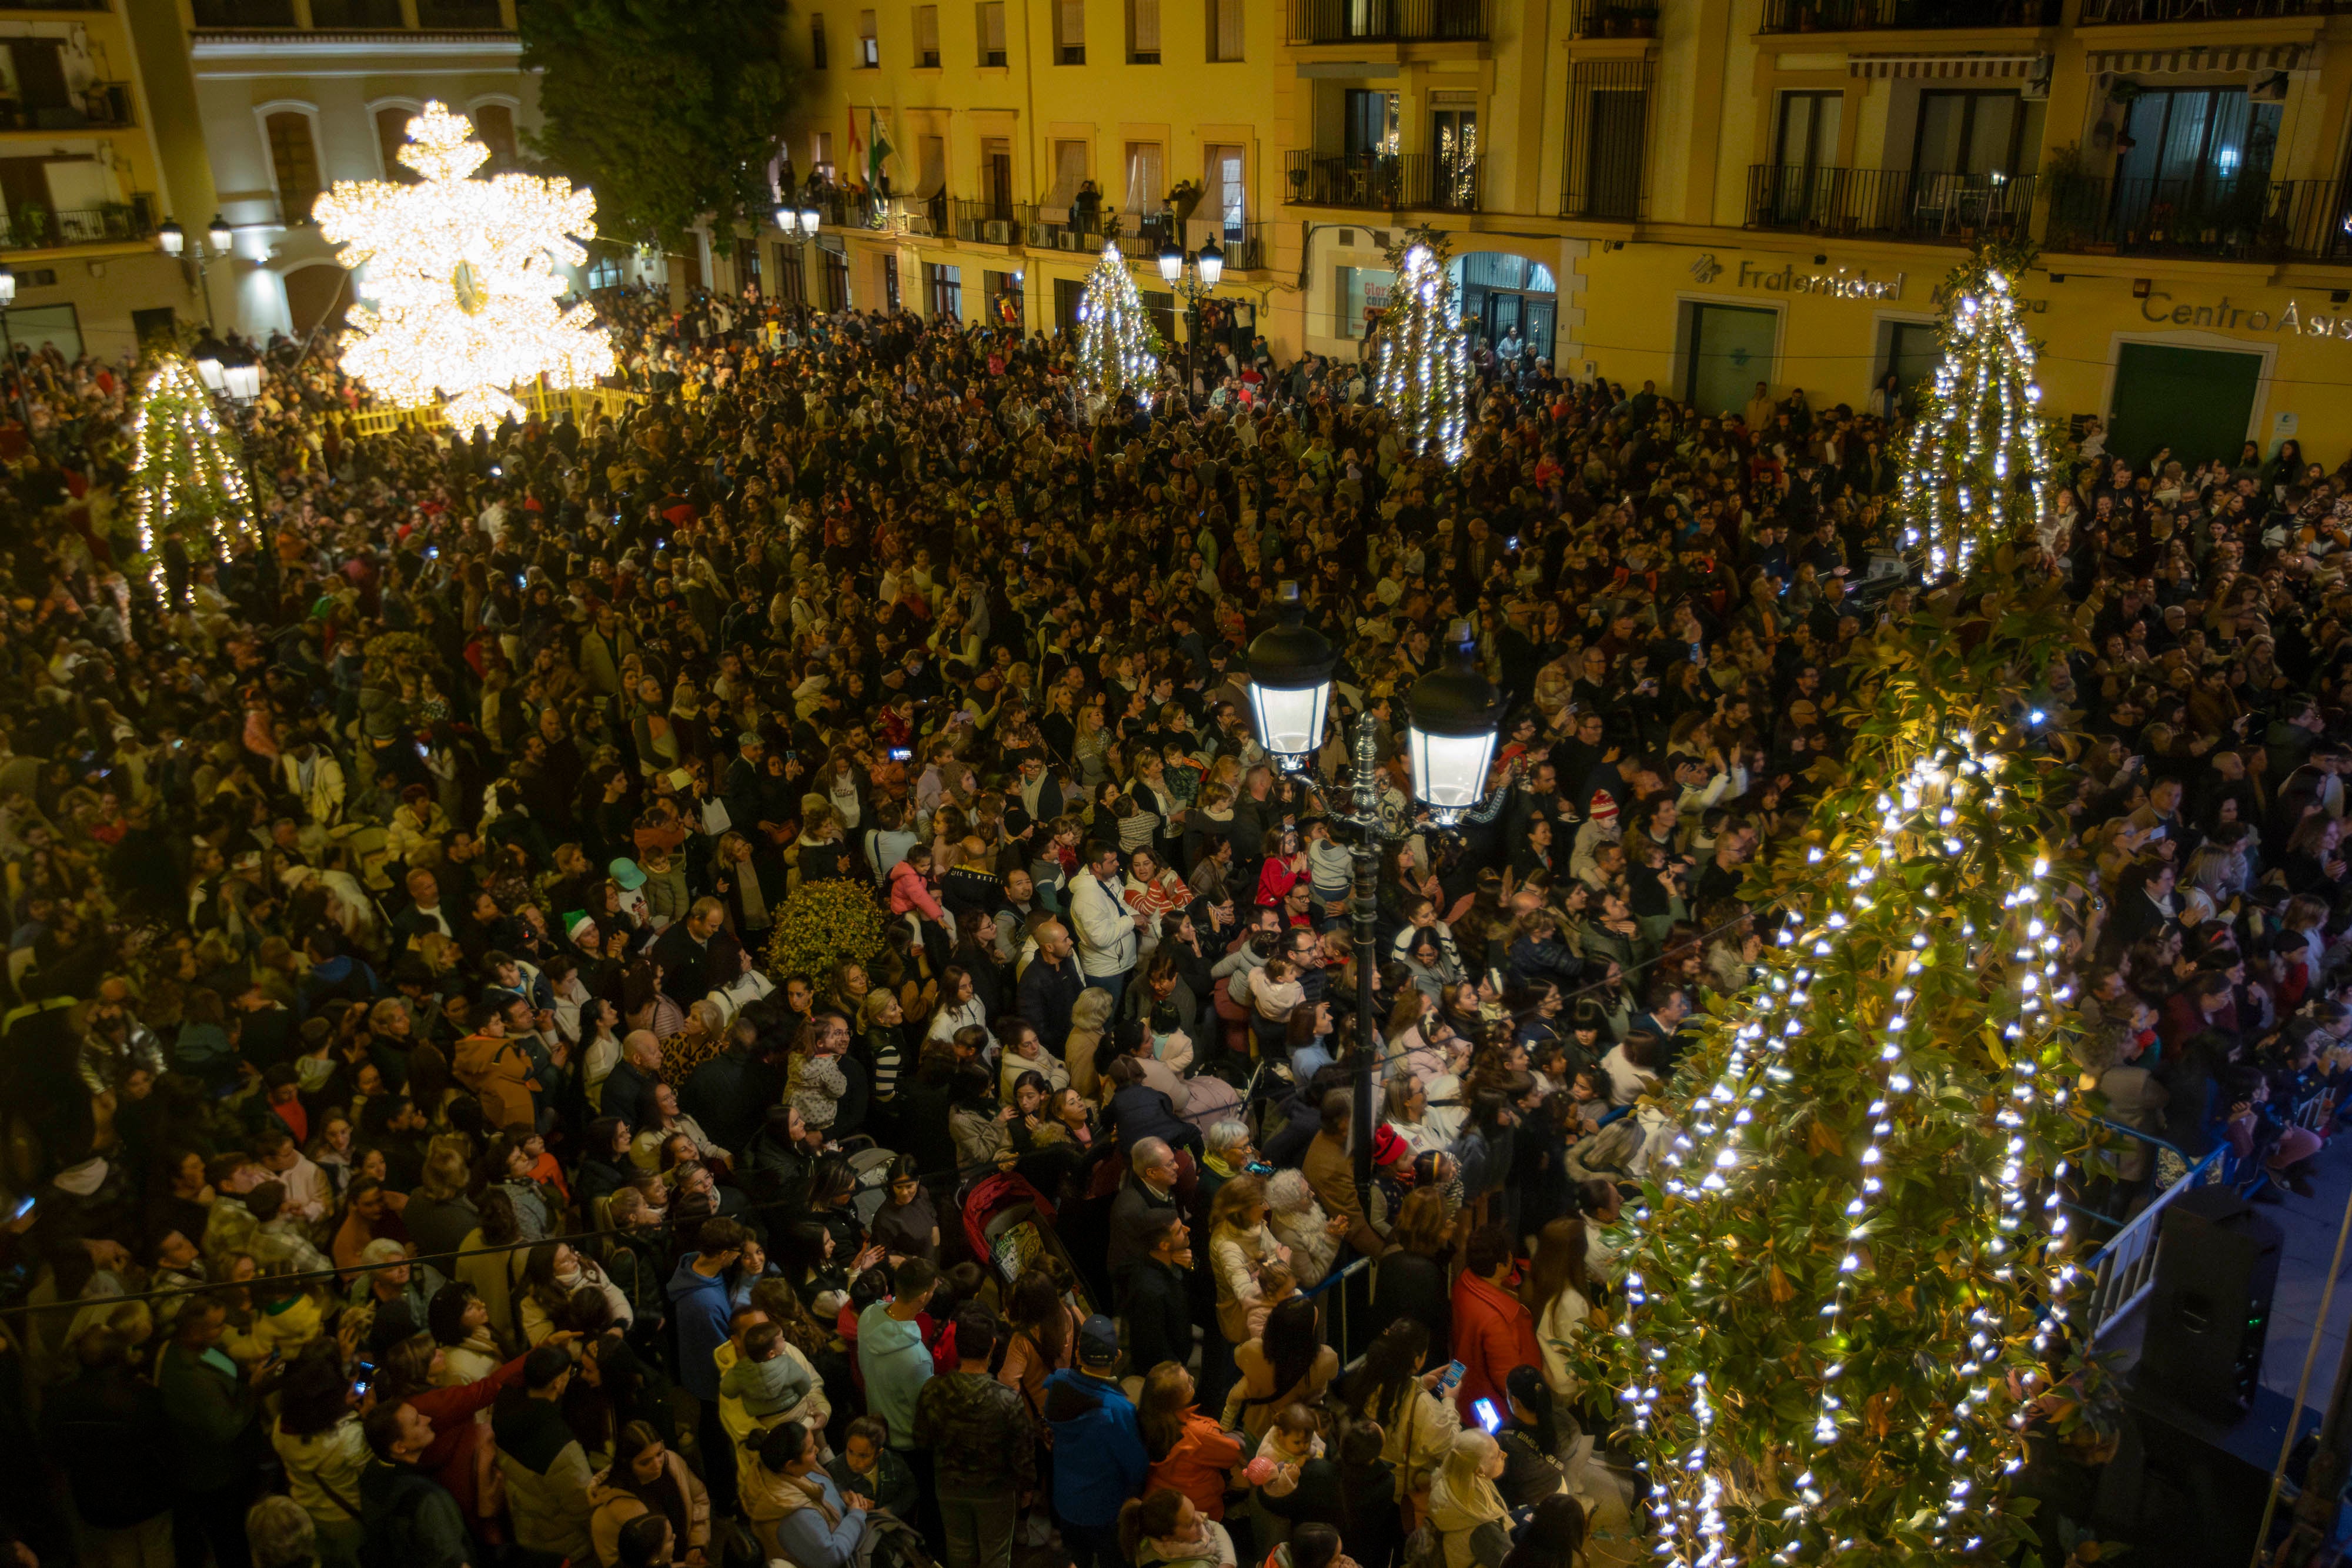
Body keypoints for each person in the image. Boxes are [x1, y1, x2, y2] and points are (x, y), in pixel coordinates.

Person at [912, 1304, 1040, 1568]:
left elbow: (922, 1439)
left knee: (959, 1552)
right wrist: (1028, 1486)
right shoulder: (1007, 1399)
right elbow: (1022, 1455)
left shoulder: (933, 1389)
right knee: (995, 1554)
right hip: (995, 1493)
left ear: (958, 1346)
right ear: (992, 1346)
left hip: (948, 1487)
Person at [1045, 1315, 1152, 1568]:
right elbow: (1136, 1466)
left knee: (1077, 1560)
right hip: (1105, 1511)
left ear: (1079, 1354)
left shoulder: (1058, 1382)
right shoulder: (1118, 1409)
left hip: (1066, 1502)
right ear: (1117, 1357)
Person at [491, 1343, 598, 1567]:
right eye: (570, 1374)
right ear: (558, 1383)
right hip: (566, 1548)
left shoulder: (505, 1406)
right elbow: (585, 1507)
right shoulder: (560, 1446)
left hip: (527, 1534)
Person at [359, 1400, 474, 1568]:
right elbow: (453, 1560)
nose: (427, 1419)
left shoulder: (372, 1472)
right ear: (400, 1447)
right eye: (417, 1422)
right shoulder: (427, 1497)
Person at [586, 1420, 712, 1568]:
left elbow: (699, 1498)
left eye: (659, 1454)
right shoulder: (609, 1506)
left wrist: (697, 1545)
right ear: (628, 1464)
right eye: (645, 1462)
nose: (657, 1464)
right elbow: (613, 1562)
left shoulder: (672, 1462)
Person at [744, 1420, 869, 1568]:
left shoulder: (782, 1465)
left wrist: (841, 1496)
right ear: (790, 1465)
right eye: (810, 1450)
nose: (817, 1450)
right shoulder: (794, 1515)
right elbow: (831, 1556)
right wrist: (856, 1515)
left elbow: (821, 1486)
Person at [1450, 1225, 1540, 1423]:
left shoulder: (1463, 1283)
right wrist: (1529, 1412)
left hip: (1461, 1384)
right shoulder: (1496, 1319)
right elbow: (1507, 1378)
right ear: (1500, 1265)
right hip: (1488, 1405)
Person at [1426, 1431, 1511, 1568]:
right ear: (1479, 1471)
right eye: (1496, 1456)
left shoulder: (1450, 1479)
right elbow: (1510, 1563)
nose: (1504, 1454)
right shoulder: (1484, 1526)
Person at [1118, 1487, 1240, 1568]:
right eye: (1190, 1523)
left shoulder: (1154, 1535)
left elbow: (1215, 1527)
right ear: (1168, 1537)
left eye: (1195, 1511)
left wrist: (1228, 1562)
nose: (1202, 1519)